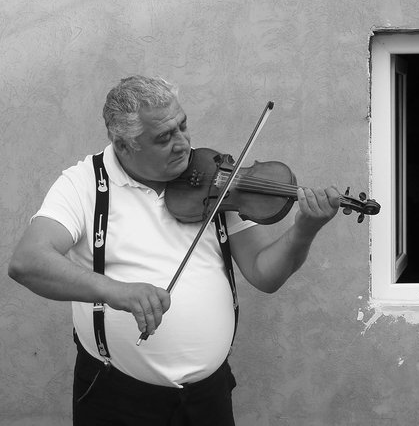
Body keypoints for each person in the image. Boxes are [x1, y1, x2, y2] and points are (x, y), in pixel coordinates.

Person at [7, 75, 342, 425]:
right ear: (124, 145)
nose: (182, 144)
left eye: (182, 126)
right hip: (116, 399)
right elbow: (28, 262)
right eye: (164, 137)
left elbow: (264, 272)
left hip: (208, 399)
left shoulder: (216, 176)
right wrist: (116, 291)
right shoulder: (83, 184)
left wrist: (305, 229)